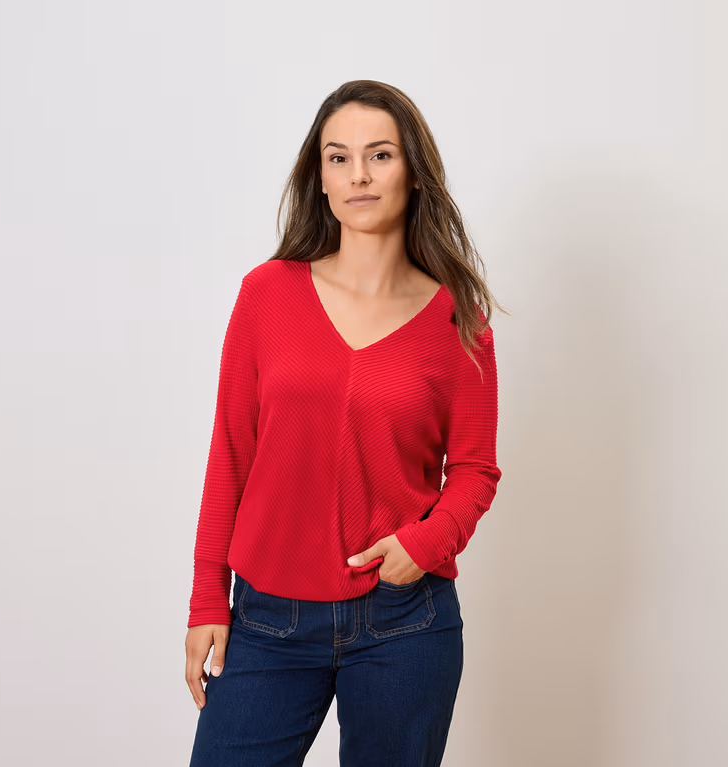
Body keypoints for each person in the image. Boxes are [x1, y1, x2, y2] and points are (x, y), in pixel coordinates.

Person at [185, 79, 510, 766]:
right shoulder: (266, 294)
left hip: (406, 620)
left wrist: (425, 542)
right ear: (321, 179)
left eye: (379, 155)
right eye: (339, 158)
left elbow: (475, 469)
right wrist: (207, 597)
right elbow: (230, 453)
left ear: (413, 172)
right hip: (267, 620)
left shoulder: (459, 318)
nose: (358, 174)